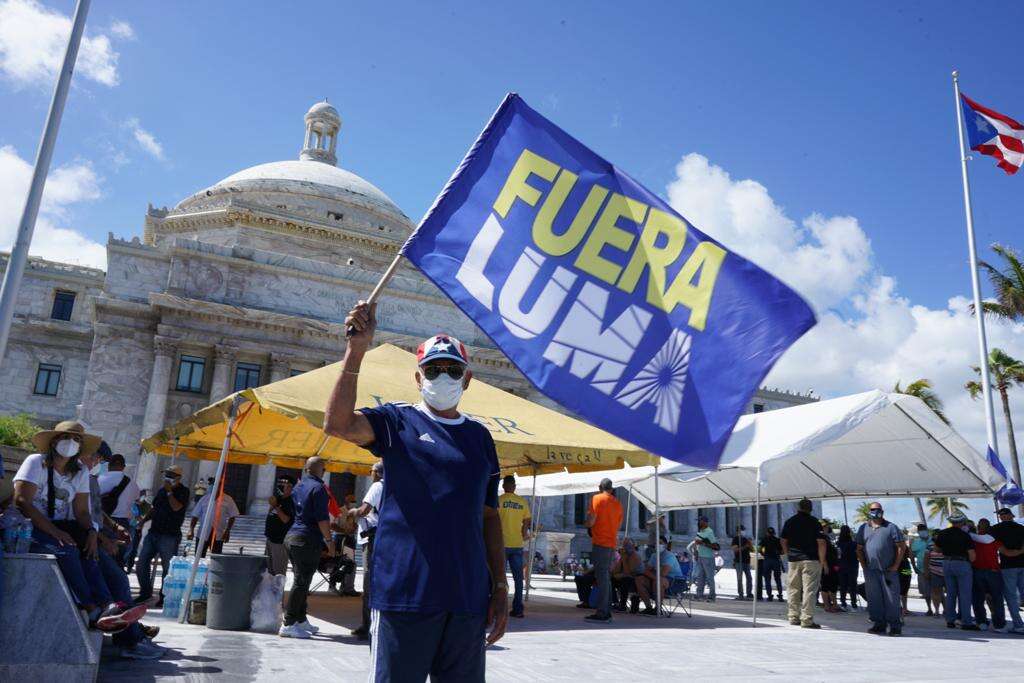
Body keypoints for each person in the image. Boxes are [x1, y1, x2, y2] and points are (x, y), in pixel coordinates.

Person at [324, 306, 507, 682]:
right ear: (417, 376)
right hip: (405, 596)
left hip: (467, 600)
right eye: (434, 369)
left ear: (467, 379)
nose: (443, 376)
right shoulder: (397, 421)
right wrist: (356, 350)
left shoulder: (480, 438)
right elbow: (338, 424)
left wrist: (501, 586)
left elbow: (489, 516)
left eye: (452, 370)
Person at [13, 421, 145, 632]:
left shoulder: (80, 471)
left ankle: (107, 606)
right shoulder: (36, 462)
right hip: (29, 526)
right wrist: (54, 531)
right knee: (68, 550)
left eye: (76, 440)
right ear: (54, 441)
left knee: (88, 549)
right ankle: (92, 608)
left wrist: (92, 532)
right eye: (66, 438)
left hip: (65, 526)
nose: (70, 443)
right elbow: (22, 501)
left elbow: (82, 511)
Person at [79, 444, 165, 659]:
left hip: (96, 532)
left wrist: (111, 529)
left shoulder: (90, 478)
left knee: (119, 579)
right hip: (81, 537)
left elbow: (96, 512)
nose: (96, 462)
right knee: (117, 579)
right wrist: (102, 537)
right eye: (95, 457)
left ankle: (131, 633)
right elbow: (79, 515)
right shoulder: (75, 476)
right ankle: (130, 636)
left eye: (99, 459)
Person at [279, 457, 335, 638]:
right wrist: (329, 541)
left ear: (306, 469)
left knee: (302, 580)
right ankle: (288, 623)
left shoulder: (298, 486)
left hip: (292, 536)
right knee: (301, 581)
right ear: (322, 471)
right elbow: (322, 518)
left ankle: (301, 619)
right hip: (307, 539)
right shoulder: (319, 489)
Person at [135, 464, 189, 607]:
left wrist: (170, 492)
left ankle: (164, 597)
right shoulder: (161, 491)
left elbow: (176, 507)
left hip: (169, 535)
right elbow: (154, 509)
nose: (167, 478)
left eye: (171, 475)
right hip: (154, 532)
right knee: (142, 562)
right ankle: (145, 592)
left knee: (167, 568)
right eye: (166, 475)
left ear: (178, 478)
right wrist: (143, 521)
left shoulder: (183, 491)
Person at [855, 502, 905, 635]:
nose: (875, 512)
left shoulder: (891, 527)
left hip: (889, 571)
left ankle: (895, 625)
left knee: (892, 599)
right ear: (869, 511)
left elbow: (901, 547)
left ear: (882, 511)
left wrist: (895, 565)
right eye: (872, 509)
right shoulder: (863, 528)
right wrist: (864, 565)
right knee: (874, 598)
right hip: (871, 571)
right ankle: (879, 624)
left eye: (877, 509)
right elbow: (859, 548)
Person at [348, 461, 383, 639]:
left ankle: (368, 626)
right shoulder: (395, 486)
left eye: (371, 471)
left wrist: (352, 512)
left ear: (376, 473)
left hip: (373, 539)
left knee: (368, 583)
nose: (370, 474)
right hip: (387, 538)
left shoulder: (377, 486)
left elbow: (364, 510)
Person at [780, 498, 826, 629]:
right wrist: (822, 561)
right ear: (810, 509)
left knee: (793, 589)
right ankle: (806, 619)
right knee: (809, 590)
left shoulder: (790, 521)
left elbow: (783, 540)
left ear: (798, 508)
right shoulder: (814, 522)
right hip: (810, 559)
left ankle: (793, 616)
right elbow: (821, 543)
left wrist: (787, 553)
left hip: (794, 559)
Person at [584, 478, 623, 623]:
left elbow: (592, 520)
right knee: (606, 577)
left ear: (600, 487)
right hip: (611, 544)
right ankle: (606, 610)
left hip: (600, 542)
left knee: (601, 578)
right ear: (611, 489)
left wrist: (587, 524)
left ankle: (602, 612)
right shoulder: (618, 504)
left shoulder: (597, 498)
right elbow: (618, 525)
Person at [933, 511, 979, 630]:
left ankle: (950, 620)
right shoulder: (965, 536)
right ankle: (966, 622)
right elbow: (972, 556)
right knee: (965, 594)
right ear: (962, 522)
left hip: (947, 563)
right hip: (962, 563)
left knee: (950, 594)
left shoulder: (942, 533)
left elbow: (936, 549)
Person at [98, 453, 141, 569]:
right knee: (118, 559)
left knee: (102, 558)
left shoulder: (99, 480)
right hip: (122, 525)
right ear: (123, 466)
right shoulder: (132, 483)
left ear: (108, 465)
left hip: (102, 522)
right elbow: (137, 500)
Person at [497, 475, 532, 618]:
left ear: (504, 486)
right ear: (514, 486)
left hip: (501, 544)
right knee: (518, 579)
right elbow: (528, 520)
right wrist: (523, 533)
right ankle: (518, 609)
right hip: (517, 544)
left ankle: (499, 608)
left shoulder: (499, 500)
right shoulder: (522, 501)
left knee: (499, 578)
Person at [970, 518, 1007, 632]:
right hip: (993, 572)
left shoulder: (972, 539)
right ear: (989, 527)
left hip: (977, 571)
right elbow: (1005, 552)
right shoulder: (994, 540)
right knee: (997, 599)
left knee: (978, 599)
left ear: (978, 526)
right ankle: (999, 624)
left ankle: (981, 622)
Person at [991, 507, 1024, 634]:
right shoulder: (1021, 528)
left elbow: (999, 548)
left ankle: (1018, 624)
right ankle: (1018, 624)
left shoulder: (995, 529)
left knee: (1010, 596)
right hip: (1022, 564)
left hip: (1008, 566)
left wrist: (1012, 553)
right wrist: (1020, 551)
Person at [636, 537, 683, 615]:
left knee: (659, 581)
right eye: (656, 543)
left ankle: (658, 608)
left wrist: (652, 574)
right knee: (639, 579)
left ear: (665, 544)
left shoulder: (669, 556)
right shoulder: (654, 556)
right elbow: (646, 570)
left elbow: (663, 573)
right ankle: (648, 607)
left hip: (675, 581)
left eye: (660, 543)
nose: (658, 545)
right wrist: (653, 575)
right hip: (657, 578)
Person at [188, 488, 239, 556]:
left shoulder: (228, 499)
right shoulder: (204, 498)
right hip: (202, 534)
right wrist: (191, 530)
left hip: (218, 534)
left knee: (215, 559)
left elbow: (232, 515)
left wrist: (227, 530)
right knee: (198, 557)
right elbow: (195, 515)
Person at [264, 474, 296, 576]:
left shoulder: (291, 501)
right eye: (279, 483)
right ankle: (270, 591)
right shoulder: (279, 498)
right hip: (270, 538)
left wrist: (276, 506)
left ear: (291, 487)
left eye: (284, 483)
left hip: (280, 541)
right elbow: (270, 513)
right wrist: (273, 504)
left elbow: (286, 520)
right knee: (269, 571)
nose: (280, 485)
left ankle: (277, 591)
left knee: (278, 573)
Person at [610, 538, 644, 612]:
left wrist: (624, 559)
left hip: (637, 579)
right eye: (624, 545)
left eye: (628, 545)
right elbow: (616, 571)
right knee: (610, 580)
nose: (625, 547)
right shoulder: (624, 555)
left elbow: (628, 572)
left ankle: (622, 605)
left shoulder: (635, 556)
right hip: (626, 577)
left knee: (625, 581)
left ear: (633, 545)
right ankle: (615, 602)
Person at [909, 523, 934, 616]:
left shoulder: (933, 540)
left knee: (937, 590)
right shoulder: (915, 542)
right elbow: (911, 555)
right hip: (921, 570)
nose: (922, 531)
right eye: (920, 530)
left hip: (935, 569)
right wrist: (914, 567)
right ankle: (929, 609)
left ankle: (943, 609)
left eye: (923, 529)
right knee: (925, 592)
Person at [692, 515, 718, 602]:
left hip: (708, 557)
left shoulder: (710, 532)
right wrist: (696, 553)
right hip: (700, 557)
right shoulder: (700, 531)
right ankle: (699, 595)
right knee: (700, 577)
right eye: (699, 521)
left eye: (700, 521)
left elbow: (715, 545)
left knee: (710, 577)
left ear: (705, 522)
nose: (699, 522)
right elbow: (696, 543)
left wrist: (703, 543)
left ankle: (712, 596)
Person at [819, 520, 841, 613]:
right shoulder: (821, 537)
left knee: (832, 585)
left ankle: (833, 604)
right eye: (827, 526)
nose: (828, 528)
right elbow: (821, 553)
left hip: (832, 565)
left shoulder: (827, 537)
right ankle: (828, 606)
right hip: (827, 565)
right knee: (826, 586)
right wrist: (825, 565)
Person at [836, 525, 859, 610]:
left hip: (842, 566)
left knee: (843, 586)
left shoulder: (838, 544)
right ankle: (854, 603)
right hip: (852, 566)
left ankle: (843, 603)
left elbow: (838, 556)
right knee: (853, 586)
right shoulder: (854, 544)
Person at [759, 526, 784, 602]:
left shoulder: (764, 539)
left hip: (767, 560)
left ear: (767, 533)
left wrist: (764, 554)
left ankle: (769, 595)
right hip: (776, 560)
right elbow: (782, 551)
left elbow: (760, 549)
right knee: (778, 579)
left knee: (767, 579)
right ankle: (780, 595)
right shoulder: (777, 540)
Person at [731, 525, 754, 600]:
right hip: (739, 561)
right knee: (739, 578)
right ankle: (740, 594)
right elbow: (735, 550)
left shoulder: (746, 539)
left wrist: (750, 544)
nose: (744, 532)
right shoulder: (735, 539)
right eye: (742, 530)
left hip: (747, 561)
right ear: (739, 531)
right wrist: (745, 546)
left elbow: (752, 550)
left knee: (749, 578)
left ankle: (749, 593)